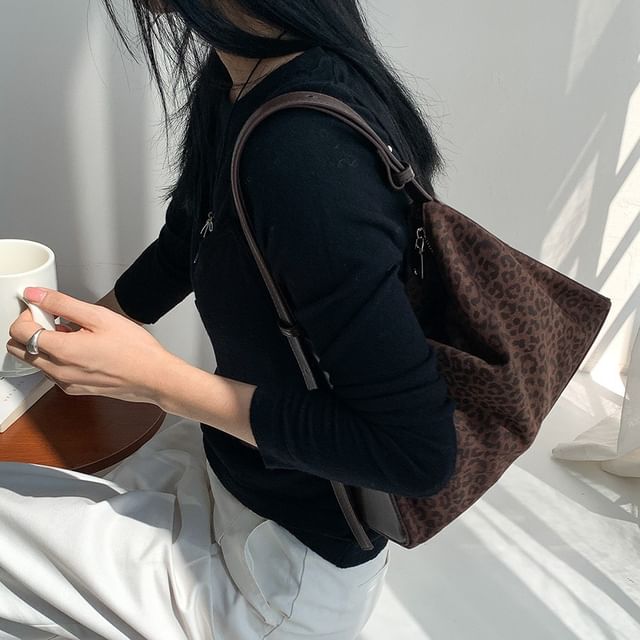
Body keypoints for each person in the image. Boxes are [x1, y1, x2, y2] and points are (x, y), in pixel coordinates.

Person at [2, 1, 458, 638]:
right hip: (234, 477)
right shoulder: (244, 76)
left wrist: (156, 380)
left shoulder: (304, 151)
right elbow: (190, 237)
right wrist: (78, 337)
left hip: (277, 578)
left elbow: (417, 455)